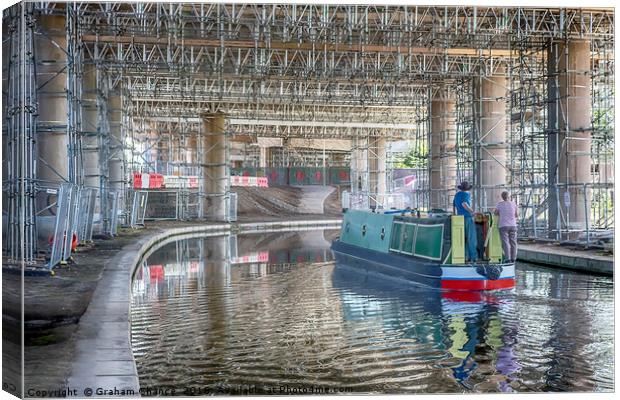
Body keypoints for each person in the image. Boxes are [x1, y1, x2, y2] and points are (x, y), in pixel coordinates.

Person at [453, 181, 478, 262]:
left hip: (459, 218)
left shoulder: (457, 195)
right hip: (467, 218)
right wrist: (473, 212)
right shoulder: (466, 194)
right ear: (467, 189)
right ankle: (473, 257)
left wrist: (455, 215)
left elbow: (453, 206)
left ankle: (464, 256)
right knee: (471, 238)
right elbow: (464, 204)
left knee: (462, 239)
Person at [494, 191, 518, 263]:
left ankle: (507, 258)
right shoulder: (513, 204)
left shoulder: (499, 204)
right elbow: (516, 214)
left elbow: (495, 213)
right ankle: (513, 258)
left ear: (502, 197)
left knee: (505, 242)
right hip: (513, 225)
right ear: (509, 196)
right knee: (513, 242)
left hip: (503, 225)